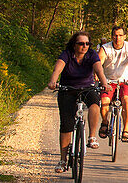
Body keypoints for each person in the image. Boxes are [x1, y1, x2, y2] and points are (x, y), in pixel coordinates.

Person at [47, 31, 111, 173]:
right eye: (81, 43)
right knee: (66, 124)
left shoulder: (92, 55)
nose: (84, 46)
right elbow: (58, 67)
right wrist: (53, 81)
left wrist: (104, 83)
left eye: (87, 44)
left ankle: (92, 137)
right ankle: (63, 160)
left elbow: (99, 70)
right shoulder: (67, 54)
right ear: (74, 44)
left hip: (87, 87)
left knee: (95, 104)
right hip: (67, 89)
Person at [98, 24, 128, 143]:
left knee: (127, 101)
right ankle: (105, 122)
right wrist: (96, 76)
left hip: (126, 81)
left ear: (124, 36)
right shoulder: (105, 48)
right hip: (108, 81)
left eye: (120, 35)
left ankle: (126, 129)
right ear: (111, 36)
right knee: (104, 102)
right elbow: (99, 62)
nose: (117, 38)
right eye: (115, 35)